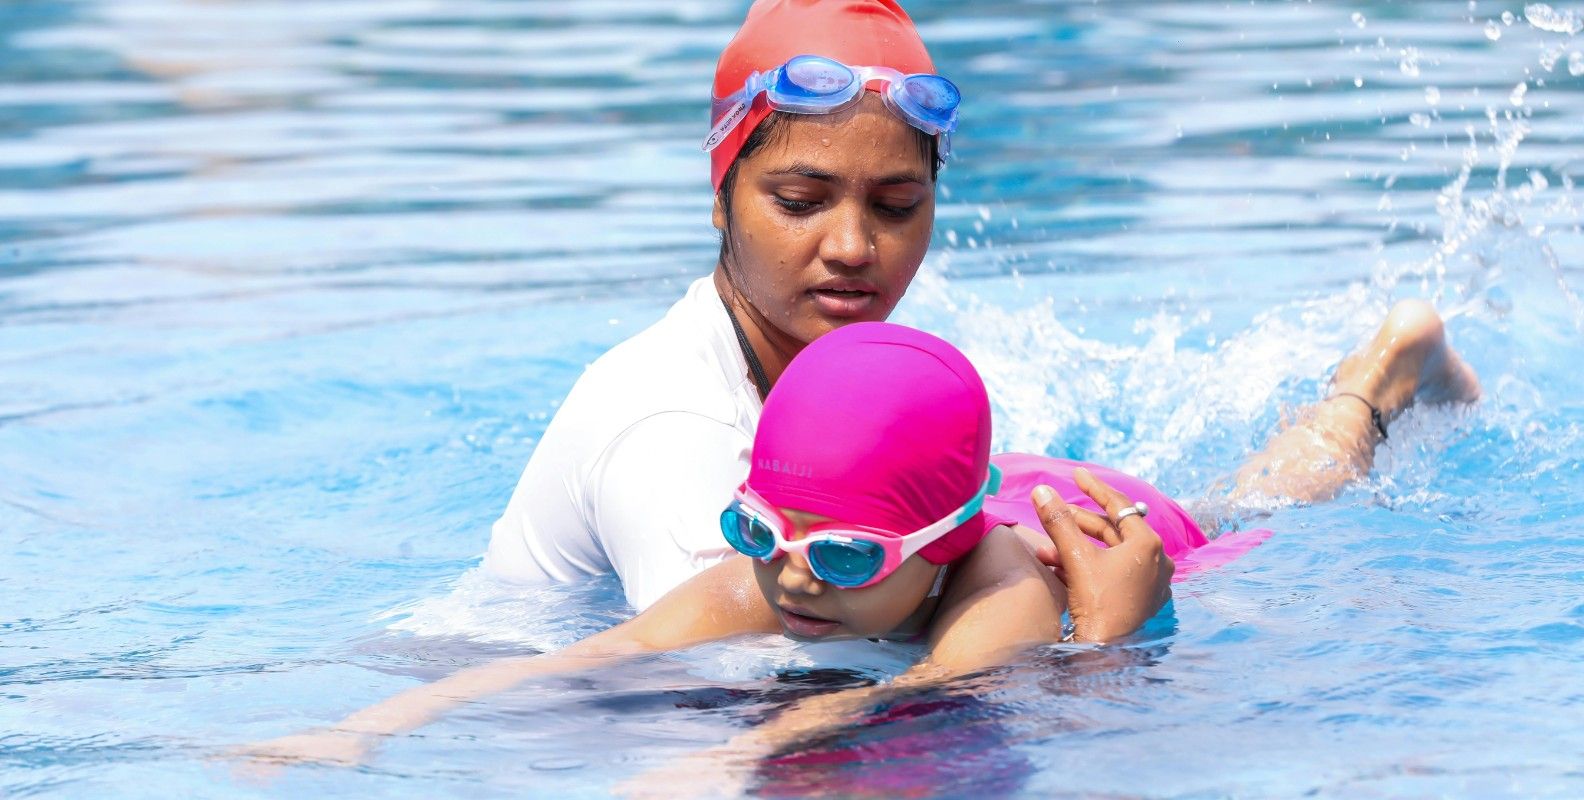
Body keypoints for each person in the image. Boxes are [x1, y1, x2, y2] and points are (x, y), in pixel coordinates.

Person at [234, 305, 1481, 776]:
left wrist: (738, 757)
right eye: (758, 532)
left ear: (943, 545)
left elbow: (927, 696)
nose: (783, 576)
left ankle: (1377, 376)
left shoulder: (997, 589)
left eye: (833, 563)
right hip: (920, 474)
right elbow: (592, 655)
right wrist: (370, 725)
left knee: (1271, 494)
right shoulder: (794, 553)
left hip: (1105, 520)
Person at [482, 0, 985, 611]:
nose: (853, 248)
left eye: (897, 206)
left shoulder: (841, 385)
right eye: (800, 202)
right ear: (723, 196)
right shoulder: (679, 428)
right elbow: (738, 699)